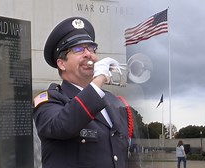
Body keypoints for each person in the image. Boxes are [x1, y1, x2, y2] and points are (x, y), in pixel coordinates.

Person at [33, 17, 134, 168]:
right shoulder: (49, 100)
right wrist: (99, 78)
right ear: (62, 64)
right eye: (78, 49)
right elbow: (62, 126)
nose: (88, 54)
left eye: (91, 48)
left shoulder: (110, 99)